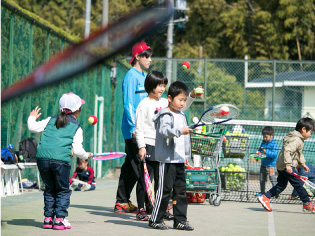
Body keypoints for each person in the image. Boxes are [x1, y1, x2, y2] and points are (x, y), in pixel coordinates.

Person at [135, 71, 201, 221]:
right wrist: (141, 146)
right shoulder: (144, 104)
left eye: (164, 85)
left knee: (162, 182)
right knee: (145, 178)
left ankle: (160, 209)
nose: (162, 88)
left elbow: (180, 107)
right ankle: (141, 208)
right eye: (159, 85)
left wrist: (190, 96)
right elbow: (139, 127)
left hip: (163, 148)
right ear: (150, 85)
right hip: (148, 144)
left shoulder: (166, 102)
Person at [27, 92, 93, 230]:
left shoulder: (50, 120)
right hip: (60, 162)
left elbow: (32, 127)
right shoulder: (76, 127)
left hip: (42, 159)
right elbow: (78, 150)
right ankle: (59, 220)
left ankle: (48, 218)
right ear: (77, 110)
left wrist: (32, 117)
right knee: (63, 190)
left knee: (50, 188)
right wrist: (86, 155)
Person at [149, 81, 194, 230]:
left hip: (179, 160)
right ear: (169, 98)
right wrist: (181, 130)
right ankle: (155, 219)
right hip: (166, 161)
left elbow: (183, 140)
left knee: (181, 191)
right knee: (164, 191)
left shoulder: (181, 115)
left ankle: (180, 220)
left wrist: (186, 156)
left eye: (184, 100)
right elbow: (164, 131)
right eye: (180, 100)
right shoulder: (165, 114)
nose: (182, 103)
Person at [114, 42, 152, 214]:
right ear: (137, 56)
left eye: (150, 56)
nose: (150, 59)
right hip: (133, 131)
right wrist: (134, 128)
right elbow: (128, 104)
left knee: (130, 166)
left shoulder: (144, 77)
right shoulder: (131, 76)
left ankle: (122, 201)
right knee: (140, 167)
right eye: (146, 55)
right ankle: (149, 204)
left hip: (142, 130)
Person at [258, 118, 315, 213]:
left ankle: (265, 197)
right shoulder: (296, 139)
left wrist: (302, 164)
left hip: (282, 165)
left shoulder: (297, 139)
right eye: (310, 132)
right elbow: (287, 150)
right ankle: (307, 204)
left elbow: (298, 153)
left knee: (281, 185)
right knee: (299, 184)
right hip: (287, 166)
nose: (310, 135)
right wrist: (288, 165)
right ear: (303, 129)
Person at [257, 126, 279, 195]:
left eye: (266, 137)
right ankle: (262, 192)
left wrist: (266, 152)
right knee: (262, 179)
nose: (265, 138)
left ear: (272, 136)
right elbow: (260, 150)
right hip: (263, 164)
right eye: (263, 137)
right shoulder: (263, 142)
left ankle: (276, 192)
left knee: (272, 179)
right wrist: (258, 154)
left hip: (271, 165)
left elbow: (274, 155)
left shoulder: (274, 144)